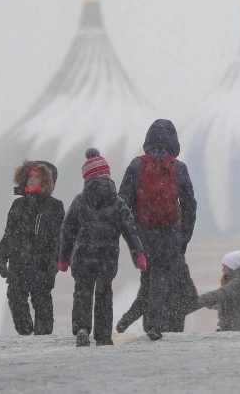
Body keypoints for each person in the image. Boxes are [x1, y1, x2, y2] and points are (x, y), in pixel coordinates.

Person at [118, 120, 198, 340]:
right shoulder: (178, 167)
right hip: (169, 232)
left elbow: (123, 200)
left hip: (143, 232)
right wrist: (184, 237)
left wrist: (131, 232)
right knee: (161, 278)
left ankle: (140, 322)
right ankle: (154, 323)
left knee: (147, 277)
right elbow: (190, 205)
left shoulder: (137, 165)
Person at [59, 148, 145, 347]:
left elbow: (67, 230)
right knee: (104, 295)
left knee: (82, 293)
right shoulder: (118, 203)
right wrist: (137, 253)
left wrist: (63, 257)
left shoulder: (80, 201)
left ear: (86, 177)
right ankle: (103, 335)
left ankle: (82, 328)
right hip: (107, 257)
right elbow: (130, 230)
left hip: (82, 258)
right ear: (108, 175)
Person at [0, 160, 64, 335]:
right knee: (15, 298)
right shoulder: (18, 205)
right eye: (29, 176)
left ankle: (42, 340)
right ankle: (25, 334)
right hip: (18, 263)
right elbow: (8, 233)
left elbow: (59, 237)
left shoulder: (55, 206)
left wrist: (56, 259)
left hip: (42, 264)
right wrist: (2, 257)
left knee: (42, 303)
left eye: (37, 177)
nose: (31, 180)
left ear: (46, 181)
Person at [190, 251, 240, 331]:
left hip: (235, 334)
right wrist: (210, 303)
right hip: (239, 332)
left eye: (224, 266)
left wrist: (194, 303)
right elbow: (233, 305)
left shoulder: (238, 283)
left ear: (232, 266)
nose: (222, 269)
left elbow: (218, 294)